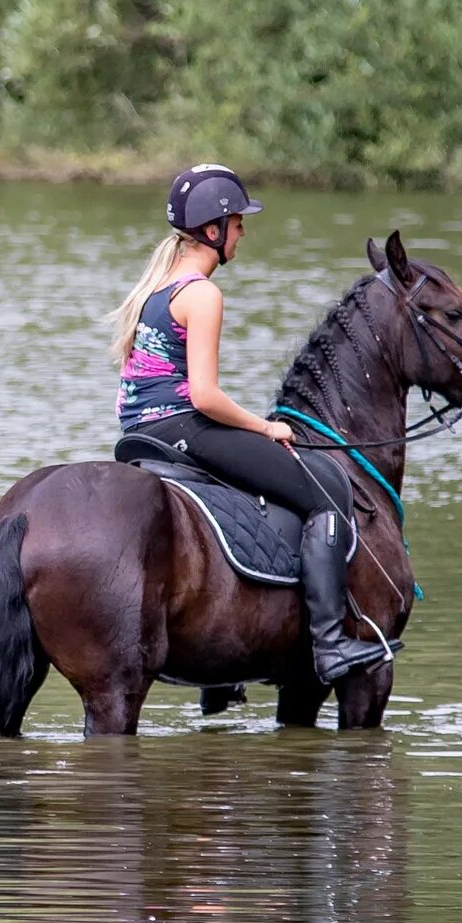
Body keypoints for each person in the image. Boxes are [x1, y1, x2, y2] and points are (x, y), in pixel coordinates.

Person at [111, 164, 391, 684]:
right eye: (238, 223)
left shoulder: (155, 290)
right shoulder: (201, 294)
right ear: (213, 231)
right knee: (326, 491)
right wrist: (266, 429)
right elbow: (205, 395)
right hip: (182, 427)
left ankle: (223, 683)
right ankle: (329, 646)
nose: (243, 233)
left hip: (139, 434)